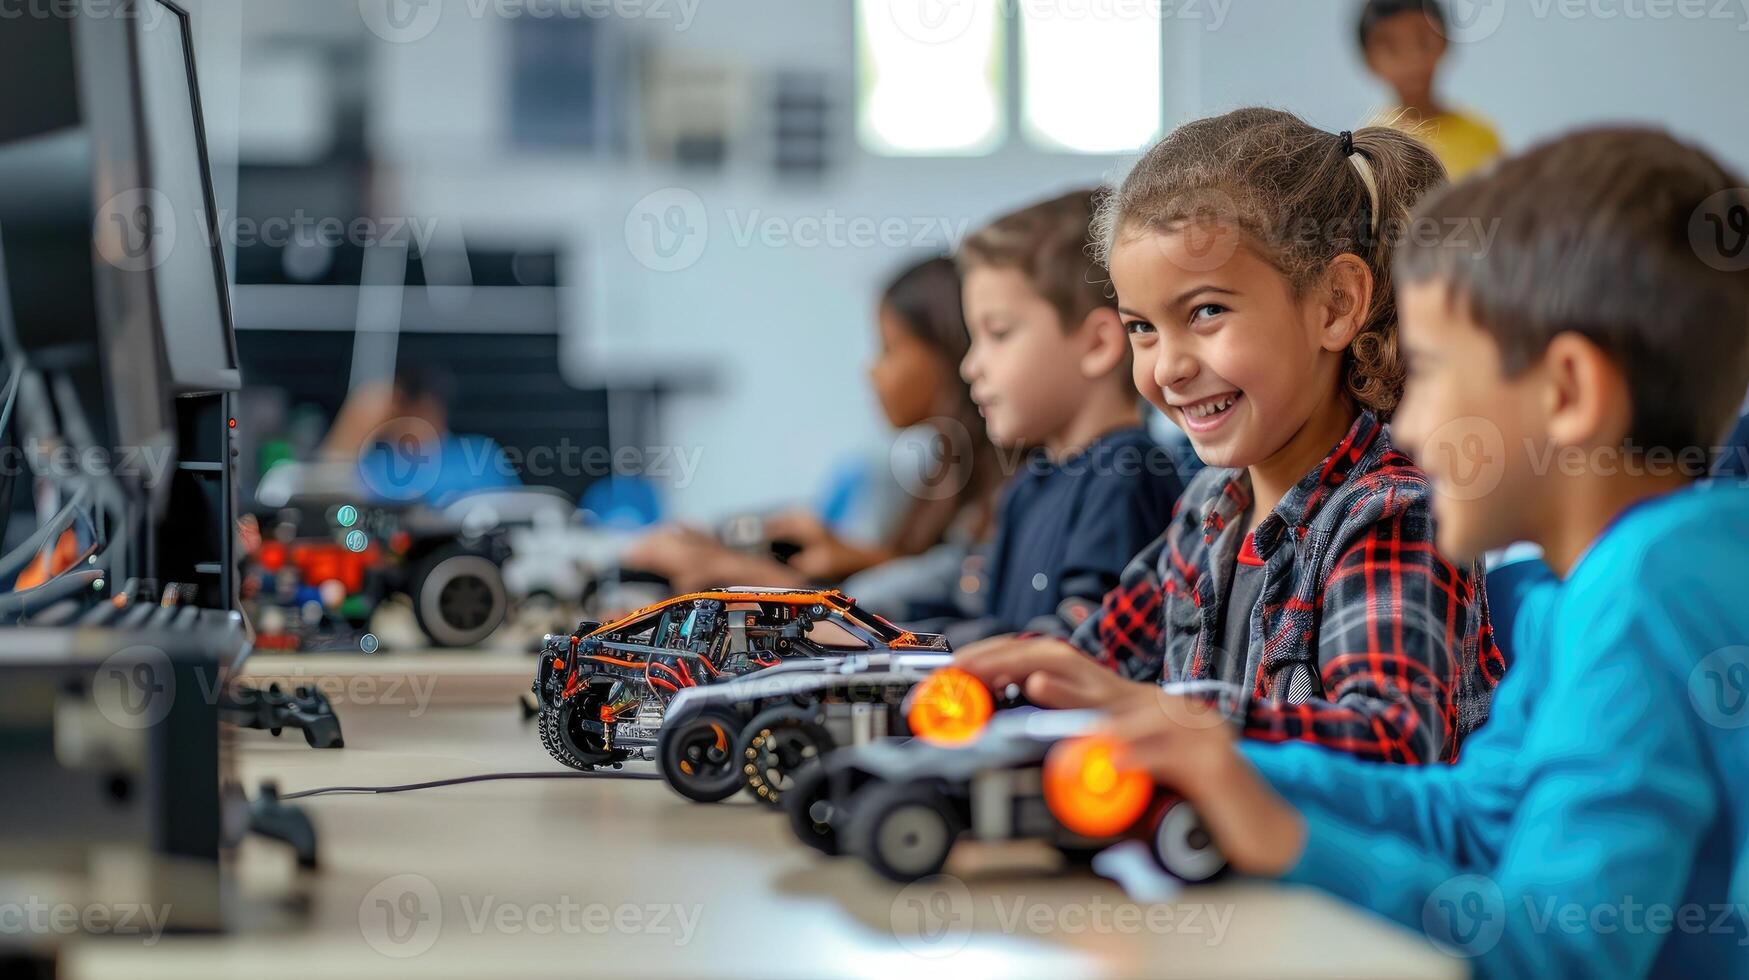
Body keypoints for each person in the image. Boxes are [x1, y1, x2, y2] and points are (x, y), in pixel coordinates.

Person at [1098, 129, 1749, 977]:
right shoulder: (1584, 594)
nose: (1403, 422)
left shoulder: (1648, 600)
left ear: (1567, 393)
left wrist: (1291, 839)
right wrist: (1221, 762)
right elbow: (1472, 818)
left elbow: (1562, 954)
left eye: (1433, 372)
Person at [958, 108, 1500, 766]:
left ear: (1334, 303)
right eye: (1141, 328)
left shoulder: (1387, 513)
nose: (1167, 367)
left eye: (1206, 312)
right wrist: (948, 670)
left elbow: (1388, 740)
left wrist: (1158, 714)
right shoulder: (1209, 510)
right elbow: (1087, 658)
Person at [625, 257, 1003, 593]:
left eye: (888, 348)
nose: (871, 370)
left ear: (947, 351)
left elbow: (927, 614)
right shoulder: (938, 478)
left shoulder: (997, 498)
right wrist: (851, 556)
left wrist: (738, 571)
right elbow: (927, 581)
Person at [941, 188, 1183, 643]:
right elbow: (984, 616)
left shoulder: (1126, 476)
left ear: (1096, 344)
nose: (970, 365)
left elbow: (1086, 638)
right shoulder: (1029, 485)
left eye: (999, 333)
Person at [321, 361, 519, 507]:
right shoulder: (374, 467)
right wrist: (354, 425)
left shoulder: (477, 454)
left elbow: (515, 515)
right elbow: (326, 495)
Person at [1358, 0, 1503, 179]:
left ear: (1445, 43)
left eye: (1423, 41)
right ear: (1369, 60)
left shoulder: (1483, 136)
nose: (1411, 59)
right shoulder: (1367, 146)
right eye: (1391, 48)